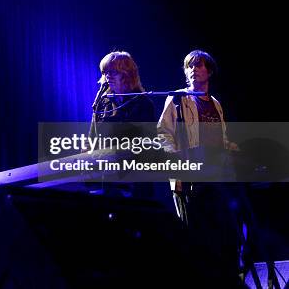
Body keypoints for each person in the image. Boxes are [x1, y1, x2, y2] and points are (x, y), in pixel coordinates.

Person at [157, 50, 248, 286]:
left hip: (217, 177)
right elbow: (163, 134)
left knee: (225, 234)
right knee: (196, 236)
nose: (193, 70)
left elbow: (220, 136)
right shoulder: (178, 99)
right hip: (190, 179)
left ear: (209, 71)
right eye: (189, 66)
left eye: (198, 65)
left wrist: (231, 147)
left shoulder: (216, 104)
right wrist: (175, 159)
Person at [89, 51, 156, 197]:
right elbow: (93, 137)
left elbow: (146, 145)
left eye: (113, 72)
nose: (108, 76)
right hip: (106, 177)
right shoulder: (103, 103)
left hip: (134, 179)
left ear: (127, 74)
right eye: (105, 72)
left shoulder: (142, 103)